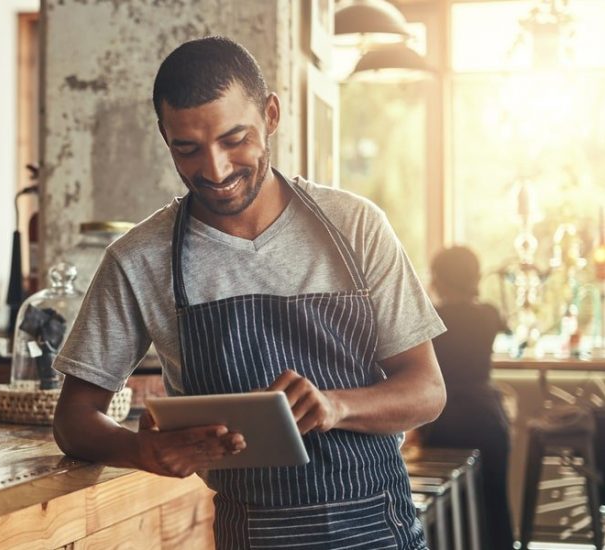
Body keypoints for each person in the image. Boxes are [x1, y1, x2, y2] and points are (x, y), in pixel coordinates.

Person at [51, 36, 447, 549]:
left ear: (271, 114)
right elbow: (74, 420)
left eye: (235, 138)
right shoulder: (139, 259)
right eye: (187, 148)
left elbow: (428, 390)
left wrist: (335, 406)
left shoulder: (356, 226)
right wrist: (139, 451)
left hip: (379, 528)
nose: (215, 170)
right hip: (252, 535)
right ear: (165, 136)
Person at [420, 245, 514, 549]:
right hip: (487, 417)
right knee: (495, 498)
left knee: (452, 505)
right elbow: (509, 328)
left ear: (439, 279)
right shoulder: (488, 314)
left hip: (445, 418)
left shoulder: (431, 317)